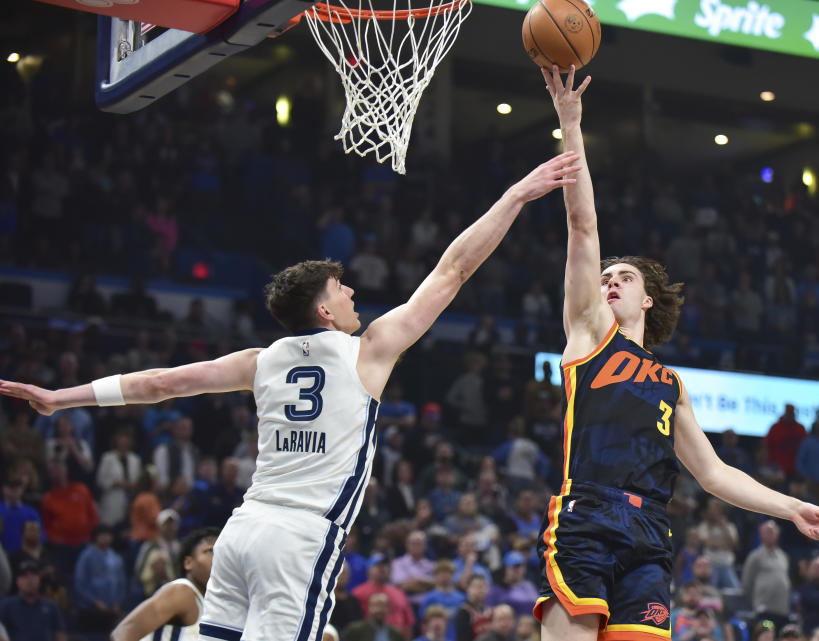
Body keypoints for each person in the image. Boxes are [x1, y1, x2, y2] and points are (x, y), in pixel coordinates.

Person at [0, 152, 580, 641]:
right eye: (341, 288)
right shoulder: (370, 350)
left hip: (241, 530)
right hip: (299, 537)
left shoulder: (259, 361)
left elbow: (157, 385)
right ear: (324, 310)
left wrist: (60, 397)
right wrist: (516, 196)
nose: (353, 290)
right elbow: (452, 270)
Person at [533, 64, 819, 641]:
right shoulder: (586, 336)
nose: (609, 281)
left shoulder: (669, 383)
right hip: (589, 515)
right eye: (605, 276)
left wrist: (791, 508)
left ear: (648, 299)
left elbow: (713, 473)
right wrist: (570, 122)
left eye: (623, 277)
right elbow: (582, 226)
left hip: (651, 530)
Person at [110, 527, 219, 641]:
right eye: (210, 551)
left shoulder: (214, 606)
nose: (217, 558)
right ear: (188, 563)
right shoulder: (182, 591)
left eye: (221, 552)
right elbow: (124, 632)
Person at [74, 525, 126, 633]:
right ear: (96, 537)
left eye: (108, 535)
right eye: (103, 535)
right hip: (91, 609)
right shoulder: (86, 556)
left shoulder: (116, 557)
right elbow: (80, 583)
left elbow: (121, 582)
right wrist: (95, 601)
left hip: (112, 609)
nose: (106, 538)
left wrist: (117, 602)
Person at [0, 559, 66, 641]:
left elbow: (60, 633)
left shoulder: (51, 605)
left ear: (39, 579)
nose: (30, 580)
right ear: (18, 581)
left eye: (33, 575)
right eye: (25, 576)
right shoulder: (6, 606)